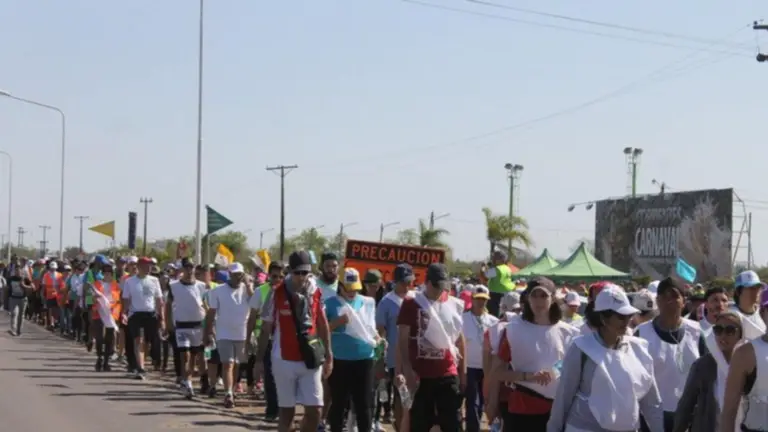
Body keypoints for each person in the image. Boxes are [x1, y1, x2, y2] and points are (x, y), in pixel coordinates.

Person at [547, 284, 664, 432]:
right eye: (620, 317)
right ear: (603, 318)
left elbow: (651, 402)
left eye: (629, 315)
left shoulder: (640, 349)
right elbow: (564, 396)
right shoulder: (581, 348)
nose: (627, 321)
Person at [256, 251, 333, 432]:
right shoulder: (276, 293)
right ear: (290, 271)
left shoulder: (316, 292)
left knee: (315, 411)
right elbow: (266, 328)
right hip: (283, 360)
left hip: (310, 358)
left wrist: (329, 355)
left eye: (305, 272)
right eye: (297, 273)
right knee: (286, 413)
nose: (301, 277)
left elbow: (322, 324)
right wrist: (259, 360)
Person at [491, 277, 580, 431]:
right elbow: (498, 372)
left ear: (553, 298)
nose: (539, 301)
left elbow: (571, 366)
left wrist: (555, 371)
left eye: (544, 296)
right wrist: (530, 376)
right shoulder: (512, 330)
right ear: (527, 298)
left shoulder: (570, 332)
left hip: (558, 410)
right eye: (534, 295)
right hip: (522, 409)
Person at [397, 262, 466, 432]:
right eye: (436, 286)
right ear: (427, 282)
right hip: (421, 375)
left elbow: (459, 340)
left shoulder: (453, 304)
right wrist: (406, 369)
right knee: (419, 424)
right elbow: (402, 340)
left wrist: (463, 374)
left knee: (452, 424)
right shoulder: (411, 303)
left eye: (442, 286)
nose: (439, 290)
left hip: (448, 372)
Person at [635, 277, 703, 432]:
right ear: (657, 301)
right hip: (651, 418)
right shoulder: (641, 334)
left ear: (684, 301)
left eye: (674, 296)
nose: (669, 301)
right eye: (664, 297)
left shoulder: (698, 332)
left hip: (689, 417)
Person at [325, 267, 382, 432]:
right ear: (340, 286)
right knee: (339, 403)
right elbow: (321, 330)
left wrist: (378, 339)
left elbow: (370, 328)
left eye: (355, 289)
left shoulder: (367, 302)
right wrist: (336, 322)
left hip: (364, 360)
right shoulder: (329, 304)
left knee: (364, 404)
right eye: (348, 289)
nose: (352, 293)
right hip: (340, 360)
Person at [674, 311, 744, 432]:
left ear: (740, 334)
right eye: (718, 330)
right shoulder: (703, 366)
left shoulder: (749, 364)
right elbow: (686, 406)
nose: (723, 335)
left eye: (730, 330)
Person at [204, 262, 253, 408]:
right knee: (228, 363)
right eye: (235, 274)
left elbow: (256, 304)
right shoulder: (218, 291)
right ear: (229, 274)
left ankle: (232, 388)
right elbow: (211, 313)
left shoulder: (247, 290)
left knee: (237, 364)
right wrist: (208, 332)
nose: (238, 277)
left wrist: (248, 285)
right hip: (223, 333)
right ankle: (228, 394)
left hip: (242, 333)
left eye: (240, 274)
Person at [375, 263, 416, 431]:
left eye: (409, 281)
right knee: (401, 396)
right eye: (403, 282)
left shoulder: (416, 298)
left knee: (413, 397)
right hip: (394, 358)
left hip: (415, 357)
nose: (407, 285)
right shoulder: (386, 302)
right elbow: (380, 333)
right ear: (396, 282)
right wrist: (380, 359)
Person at [246, 260, 285, 421]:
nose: (277, 280)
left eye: (281, 277)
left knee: (284, 376)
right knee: (269, 375)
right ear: (269, 275)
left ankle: (284, 409)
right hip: (265, 338)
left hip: (284, 339)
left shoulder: (289, 291)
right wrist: (247, 339)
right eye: (274, 276)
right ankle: (272, 409)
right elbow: (252, 317)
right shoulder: (260, 291)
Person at [167, 257, 207, 399]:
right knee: (185, 355)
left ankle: (187, 379)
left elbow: (205, 305)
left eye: (191, 267)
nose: (189, 270)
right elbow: (168, 305)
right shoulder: (173, 286)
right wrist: (168, 323)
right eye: (187, 267)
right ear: (182, 269)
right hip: (181, 325)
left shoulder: (202, 286)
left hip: (197, 325)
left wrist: (209, 324)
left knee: (194, 356)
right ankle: (187, 382)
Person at [121, 256, 166, 380]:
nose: (149, 268)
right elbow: (126, 299)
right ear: (139, 267)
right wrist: (124, 313)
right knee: (138, 340)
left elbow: (159, 300)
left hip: (150, 314)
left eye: (150, 266)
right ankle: (140, 367)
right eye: (146, 266)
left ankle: (142, 363)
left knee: (147, 342)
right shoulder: (130, 281)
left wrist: (162, 318)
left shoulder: (154, 280)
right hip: (135, 314)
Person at [463, 285, 499, 432]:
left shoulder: (493, 321)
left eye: (484, 299)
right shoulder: (463, 319)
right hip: (469, 367)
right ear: (472, 299)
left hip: (487, 368)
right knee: (472, 401)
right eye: (478, 299)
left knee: (483, 401)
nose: (481, 302)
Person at [90, 263, 121, 371]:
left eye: (109, 273)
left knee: (110, 338)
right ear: (102, 274)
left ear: (112, 274)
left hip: (111, 314)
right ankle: (100, 357)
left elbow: (118, 299)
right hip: (99, 313)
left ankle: (106, 361)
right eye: (105, 273)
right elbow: (93, 298)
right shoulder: (97, 284)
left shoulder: (116, 285)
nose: (107, 275)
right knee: (99, 338)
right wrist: (95, 298)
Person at [729, 270, 766, 341]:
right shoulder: (731, 317)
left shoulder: (763, 312)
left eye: (758, 287)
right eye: (752, 288)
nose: (757, 291)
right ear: (738, 292)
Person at [484, 251, 516, 317]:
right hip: (507, 294)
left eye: (495, 258)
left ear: (501, 260)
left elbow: (485, 275)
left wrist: (485, 267)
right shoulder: (508, 268)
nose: (493, 260)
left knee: (493, 315)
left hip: (496, 295)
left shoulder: (497, 269)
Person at [7, 266, 33, 336]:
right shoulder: (11, 279)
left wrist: (24, 286)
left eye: (19, 271)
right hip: (13, 298)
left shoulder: (25, 279)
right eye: (16, 271)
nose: (17, 272)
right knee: (14, 313)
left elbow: (33, 287)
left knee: (21, 315)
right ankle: (13, 330)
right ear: (14, 272)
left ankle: (19, 330)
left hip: (22, 299)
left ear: (21, 272)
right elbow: (7, 289)